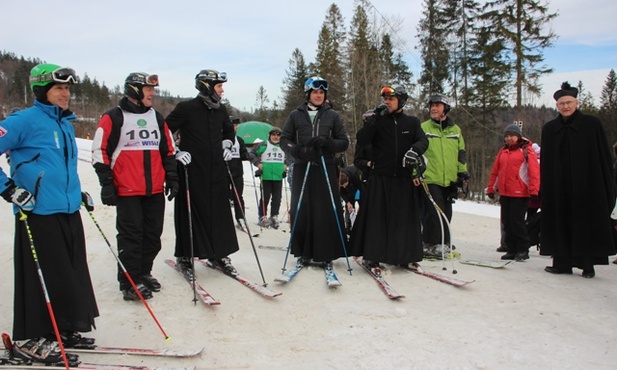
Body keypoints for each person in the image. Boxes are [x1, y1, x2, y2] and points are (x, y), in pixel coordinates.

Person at [0, 63, 98, 363]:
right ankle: (31, 336)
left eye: (68, 88)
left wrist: (76, 193)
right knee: (39, 276)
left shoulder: (65, 123)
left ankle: (63, 326)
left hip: (67, 208)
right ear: (42, 90)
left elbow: (59, 166)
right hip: (36, 211)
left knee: (68, 273)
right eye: (59, 88)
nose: (66, 94)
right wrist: (7, 188)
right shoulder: (23, 121)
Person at [92, 72, 179, 301]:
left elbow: (168, 150)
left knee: (152, 236)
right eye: (148, 89)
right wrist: (107, 184)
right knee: (131, 238)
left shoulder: (157, 118)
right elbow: (99, 151)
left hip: (154, 191)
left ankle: (143, 272)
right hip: (127, 190)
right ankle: (129, 281)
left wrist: (172, 177)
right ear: (133, 90)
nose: (152, 93)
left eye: (153, 89)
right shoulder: (114, 117)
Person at [166, 69, 239, 276]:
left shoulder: (221, 109)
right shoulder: (186, 108)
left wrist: (226, 144)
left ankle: (218, 254)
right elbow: (164, 131)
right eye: (219, 86)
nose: (222, 90)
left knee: (219, 211)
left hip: (216, 169)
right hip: (192, 169)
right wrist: (177, 152)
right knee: (191, 212)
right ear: (207, 86)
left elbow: (228, 131)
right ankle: (185, 256)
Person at [540, 82, 616, 278]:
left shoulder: (591, 124)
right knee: (560, 221)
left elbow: (603, 156)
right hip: (559, 186)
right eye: (561, 103)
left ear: (577, 103)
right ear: (556, 106)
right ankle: (561, 263)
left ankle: (587, 264)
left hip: (587, 186)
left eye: (569, 102)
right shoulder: (550, 129)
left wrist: (605, 183)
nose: (566, 106)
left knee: (585, 223)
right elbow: (546, 162)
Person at [350, 85, 428, 272]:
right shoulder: (379, 121)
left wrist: (414, 151)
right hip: (380, 178)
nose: (387, 102)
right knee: (377, 219)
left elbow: (423, 141)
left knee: (404, 220)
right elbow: (362, 139)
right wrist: (375, 119)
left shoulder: (412, 122)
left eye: (391, 99)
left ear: (401, 101)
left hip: (403, 179)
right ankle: (372, 257)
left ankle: (405, 256)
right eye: (385, 99)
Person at [280, 76, 349, 269]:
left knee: (325, 209)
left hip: (326, 166)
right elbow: (285, 139)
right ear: (308, 94)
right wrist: (299, 151)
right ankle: (303, 252)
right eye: (315, 92)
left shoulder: (332, 115)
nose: (318, 95)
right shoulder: (296, 114)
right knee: (303, 208)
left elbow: (344, 142)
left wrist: (328, 143)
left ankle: (326, 252)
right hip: (303, 165)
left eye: (321, 92)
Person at [420, 94, 469, 258]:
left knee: (447, 211)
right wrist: (416, 172)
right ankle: (432, 243)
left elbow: (461, 153)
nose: (433, 108)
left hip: (449, 179)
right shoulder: (424, 128)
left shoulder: (455, 130)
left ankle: (442, 241)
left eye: (437, 105)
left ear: (446, 108)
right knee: (436, 211)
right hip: (430, 177)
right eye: (431, 106)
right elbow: (416, 152)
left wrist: (462, 173)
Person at [486, 124, 540, 261]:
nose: (509, 139)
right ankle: (510, 249)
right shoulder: (503, 151)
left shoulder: (526, 151)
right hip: (505, 192)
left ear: (518, 136)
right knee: (507, 223)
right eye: (507, 136)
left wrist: (534, 190)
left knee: (517, 222)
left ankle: (522, 249)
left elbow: (534, 171)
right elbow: (495, 171)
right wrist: (491, 187)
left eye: (512, 136)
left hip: (520, 193)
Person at [253, 127, 288, 230]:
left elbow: (292, 155)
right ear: (270, 135)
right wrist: (257, 163)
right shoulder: (263, 144)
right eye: (274, 135)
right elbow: (251, 154)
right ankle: (262, 216)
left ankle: (274, 216)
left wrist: (286, 164)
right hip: (266, 175)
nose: (276, 137)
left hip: (278, 176)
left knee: (277, 198)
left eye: (278, 135)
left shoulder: (284, 146)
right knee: (265, 197)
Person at [228, 116, 251, 230]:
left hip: (237, 172)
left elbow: (243, 155)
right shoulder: (219, 139)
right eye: (232, 125)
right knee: (222, 196)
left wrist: (248, 156)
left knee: (238, 196)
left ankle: (240, 218)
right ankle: (223, 219)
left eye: (236, 125)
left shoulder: (239, 140)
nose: (234, 127)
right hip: (223, 172)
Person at [338, 164, 364, 234]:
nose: (343, 187)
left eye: (345, 185)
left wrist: (356, 201)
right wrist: (348, 202)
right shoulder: (339, 179)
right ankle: (348, 227)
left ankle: (359, 225)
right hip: (349, 191)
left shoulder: (354, 176)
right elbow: (342, 193)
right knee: (348, 207)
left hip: (357, 188)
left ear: (348, 180)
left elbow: (360, 188)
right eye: (342, 186)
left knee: (358, 206)